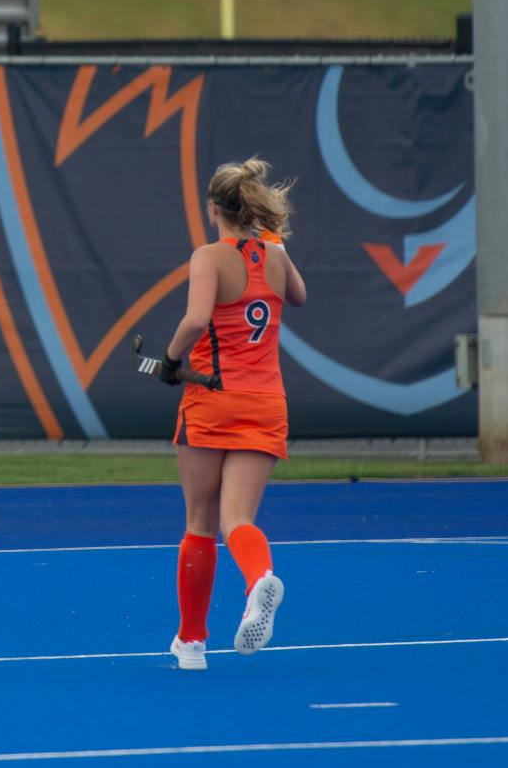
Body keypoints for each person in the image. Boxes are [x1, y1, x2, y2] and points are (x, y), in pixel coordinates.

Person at [155, 159, 307, 671]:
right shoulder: (274, 256)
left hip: (213, 399)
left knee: (199, 522)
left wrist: (171, 361)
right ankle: (259, 578)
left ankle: (192, 643)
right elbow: (299, 296)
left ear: (213, 209)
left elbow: (197, 319)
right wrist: (275, 241)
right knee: (237, 518)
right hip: (266, 403)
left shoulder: (209, 257)